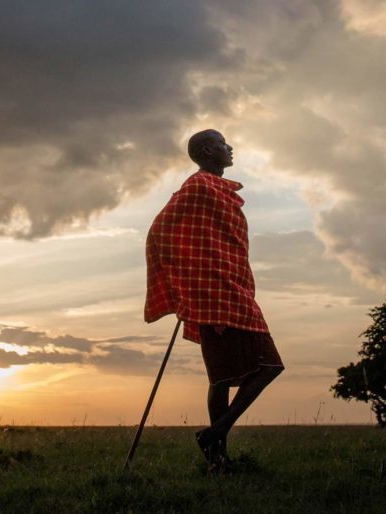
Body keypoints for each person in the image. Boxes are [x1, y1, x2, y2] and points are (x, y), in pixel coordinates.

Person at [144, 129, 285, 473]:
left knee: (235, 374)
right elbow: (159, 231)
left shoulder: (216, 189)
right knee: (258, 369)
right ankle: (216, 449)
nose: (230, 146)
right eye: (223, 143)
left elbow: (223, 240)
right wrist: (188, 276)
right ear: (208, 151)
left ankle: (216, 444)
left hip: (231, 289)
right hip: (212, 292)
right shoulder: (197, 187)